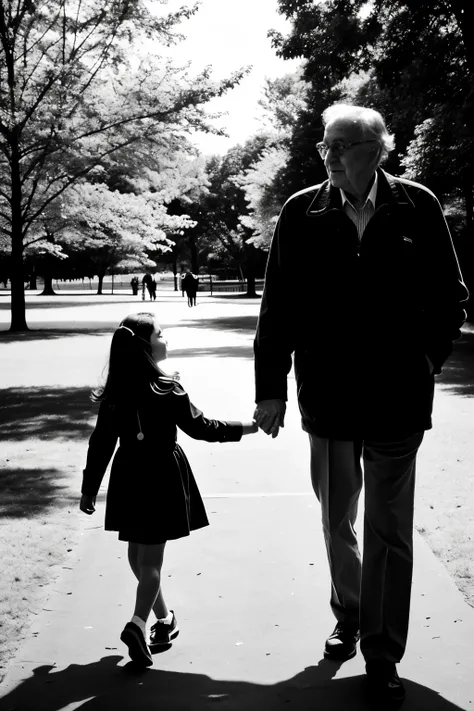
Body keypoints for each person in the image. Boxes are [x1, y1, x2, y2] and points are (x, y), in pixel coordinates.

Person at [253, 103, 468, 706]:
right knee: (337, 520)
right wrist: (270, 387)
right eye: (325, 145)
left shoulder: (416, 205)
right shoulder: (301, 212)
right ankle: (349, 610)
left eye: (339, 145)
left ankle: (381, 649)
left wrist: (427, 359)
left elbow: (451, 297)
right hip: (328, 398)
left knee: (390, 531)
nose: (327, 155)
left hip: (399, 398)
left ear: (375, 151)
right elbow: (279, 306)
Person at [80, 312, 258, 668]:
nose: (166, 338)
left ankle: (163, 619)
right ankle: (137, 624)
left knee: (137, 557)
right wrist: (248, 427)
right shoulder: (168, 388)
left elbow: (101, 442)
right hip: (161, 474)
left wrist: (89, 490)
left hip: (129, 474)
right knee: (150, 562)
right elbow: (202, 427)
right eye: (161, 334)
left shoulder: (116, 393)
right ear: (147, 346)